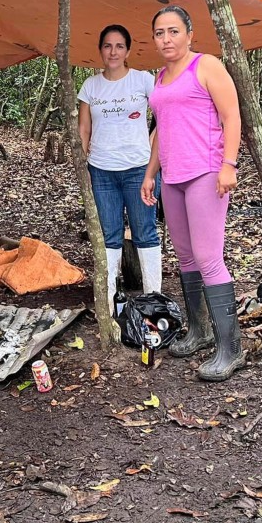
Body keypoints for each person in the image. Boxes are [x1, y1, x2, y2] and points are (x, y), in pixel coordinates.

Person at [141, 5, 244, 381]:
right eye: (159, 33)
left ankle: (230, 349)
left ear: (188, 34)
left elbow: (231, 115)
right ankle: (199, 332)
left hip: (206, 171)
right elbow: (161, 128)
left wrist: (229, 164)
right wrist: (151, 172)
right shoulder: (160, 78)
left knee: (207, 257)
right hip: (173, 176)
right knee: (184, 256)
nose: (166, 39)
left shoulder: (207, 65)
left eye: (172, 31)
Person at [77, 24, 162, 310]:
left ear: (128, 50)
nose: (113, 52)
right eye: (107, 46)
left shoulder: (143, 80)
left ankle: (154, 300)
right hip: (101, 171)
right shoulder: (91, 86)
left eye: (119, 46)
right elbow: (84, 128)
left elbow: (166, 116)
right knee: (109, 235)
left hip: (139, 169)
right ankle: (109, 304)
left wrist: (151, 148)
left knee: (145, 232)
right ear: (100, 50)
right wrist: (82, 164)